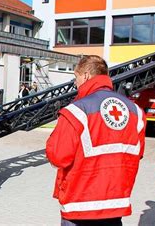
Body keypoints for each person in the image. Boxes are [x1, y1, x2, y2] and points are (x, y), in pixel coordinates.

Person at [45, 55, 145, 226]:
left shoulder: (76, 110)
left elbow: (58, 156)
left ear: (85, 75)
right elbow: (138, 153)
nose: (75, 83)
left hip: (79, 203)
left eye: (75, 78)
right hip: (115, 203)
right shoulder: (136, 111)